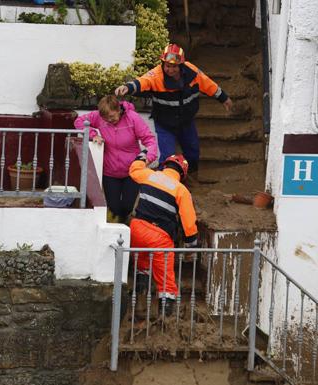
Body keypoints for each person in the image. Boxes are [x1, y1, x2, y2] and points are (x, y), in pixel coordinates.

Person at [115, 43, 233, 182]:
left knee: (193, 153)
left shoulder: (192, 72)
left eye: (174, 66)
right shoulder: (156, 75)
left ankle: (191, 179)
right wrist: (127, 88)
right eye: (168, 66)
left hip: (186, 121)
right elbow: (142, 81)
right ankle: (166, 186)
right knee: (167, 157)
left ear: (181, 65)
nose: (171, 70)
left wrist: (223, 98)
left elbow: (208, 84)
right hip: (164, 123)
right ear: (163, 64)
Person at [128, 153, 198, 317]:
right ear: (182, 174)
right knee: (166, 278)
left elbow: (134, 169)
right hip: (159, 238)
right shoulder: (181, 190)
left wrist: (143, 156)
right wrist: (191, 244)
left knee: (142, 264)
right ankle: (164, 319)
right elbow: (188, 223)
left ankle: (138, 306)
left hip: (137, 229)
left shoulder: (149, 175)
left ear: (165, 166)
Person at [74, 95, 158, 223]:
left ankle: (124, 224)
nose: (109, 120)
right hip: (110, 172)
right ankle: (117, 225)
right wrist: (93, 135)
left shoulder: (133, 118)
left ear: (119, 110)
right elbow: (79, 122)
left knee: (127, 206)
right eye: (106, 118)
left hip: (132, 171)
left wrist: (147, 158)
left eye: (112, 117)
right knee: (114, 207)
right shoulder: (99, 117)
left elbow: (150, 140)